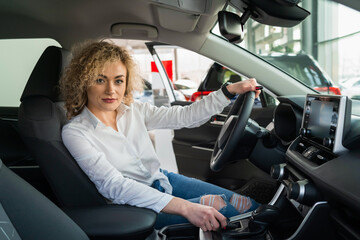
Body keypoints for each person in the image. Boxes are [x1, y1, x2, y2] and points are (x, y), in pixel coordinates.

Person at [60, 40, 261, 231]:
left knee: (244, 204)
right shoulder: (76, 132)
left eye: (118, 81)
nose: (111, 90)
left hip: (162, 180)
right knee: (221, 208)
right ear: (83, 82)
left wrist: (228, 91)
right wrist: (186, 208)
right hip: (135, 206)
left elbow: (185, 116)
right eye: (100, 80)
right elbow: (115, 186)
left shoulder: (134, 110)